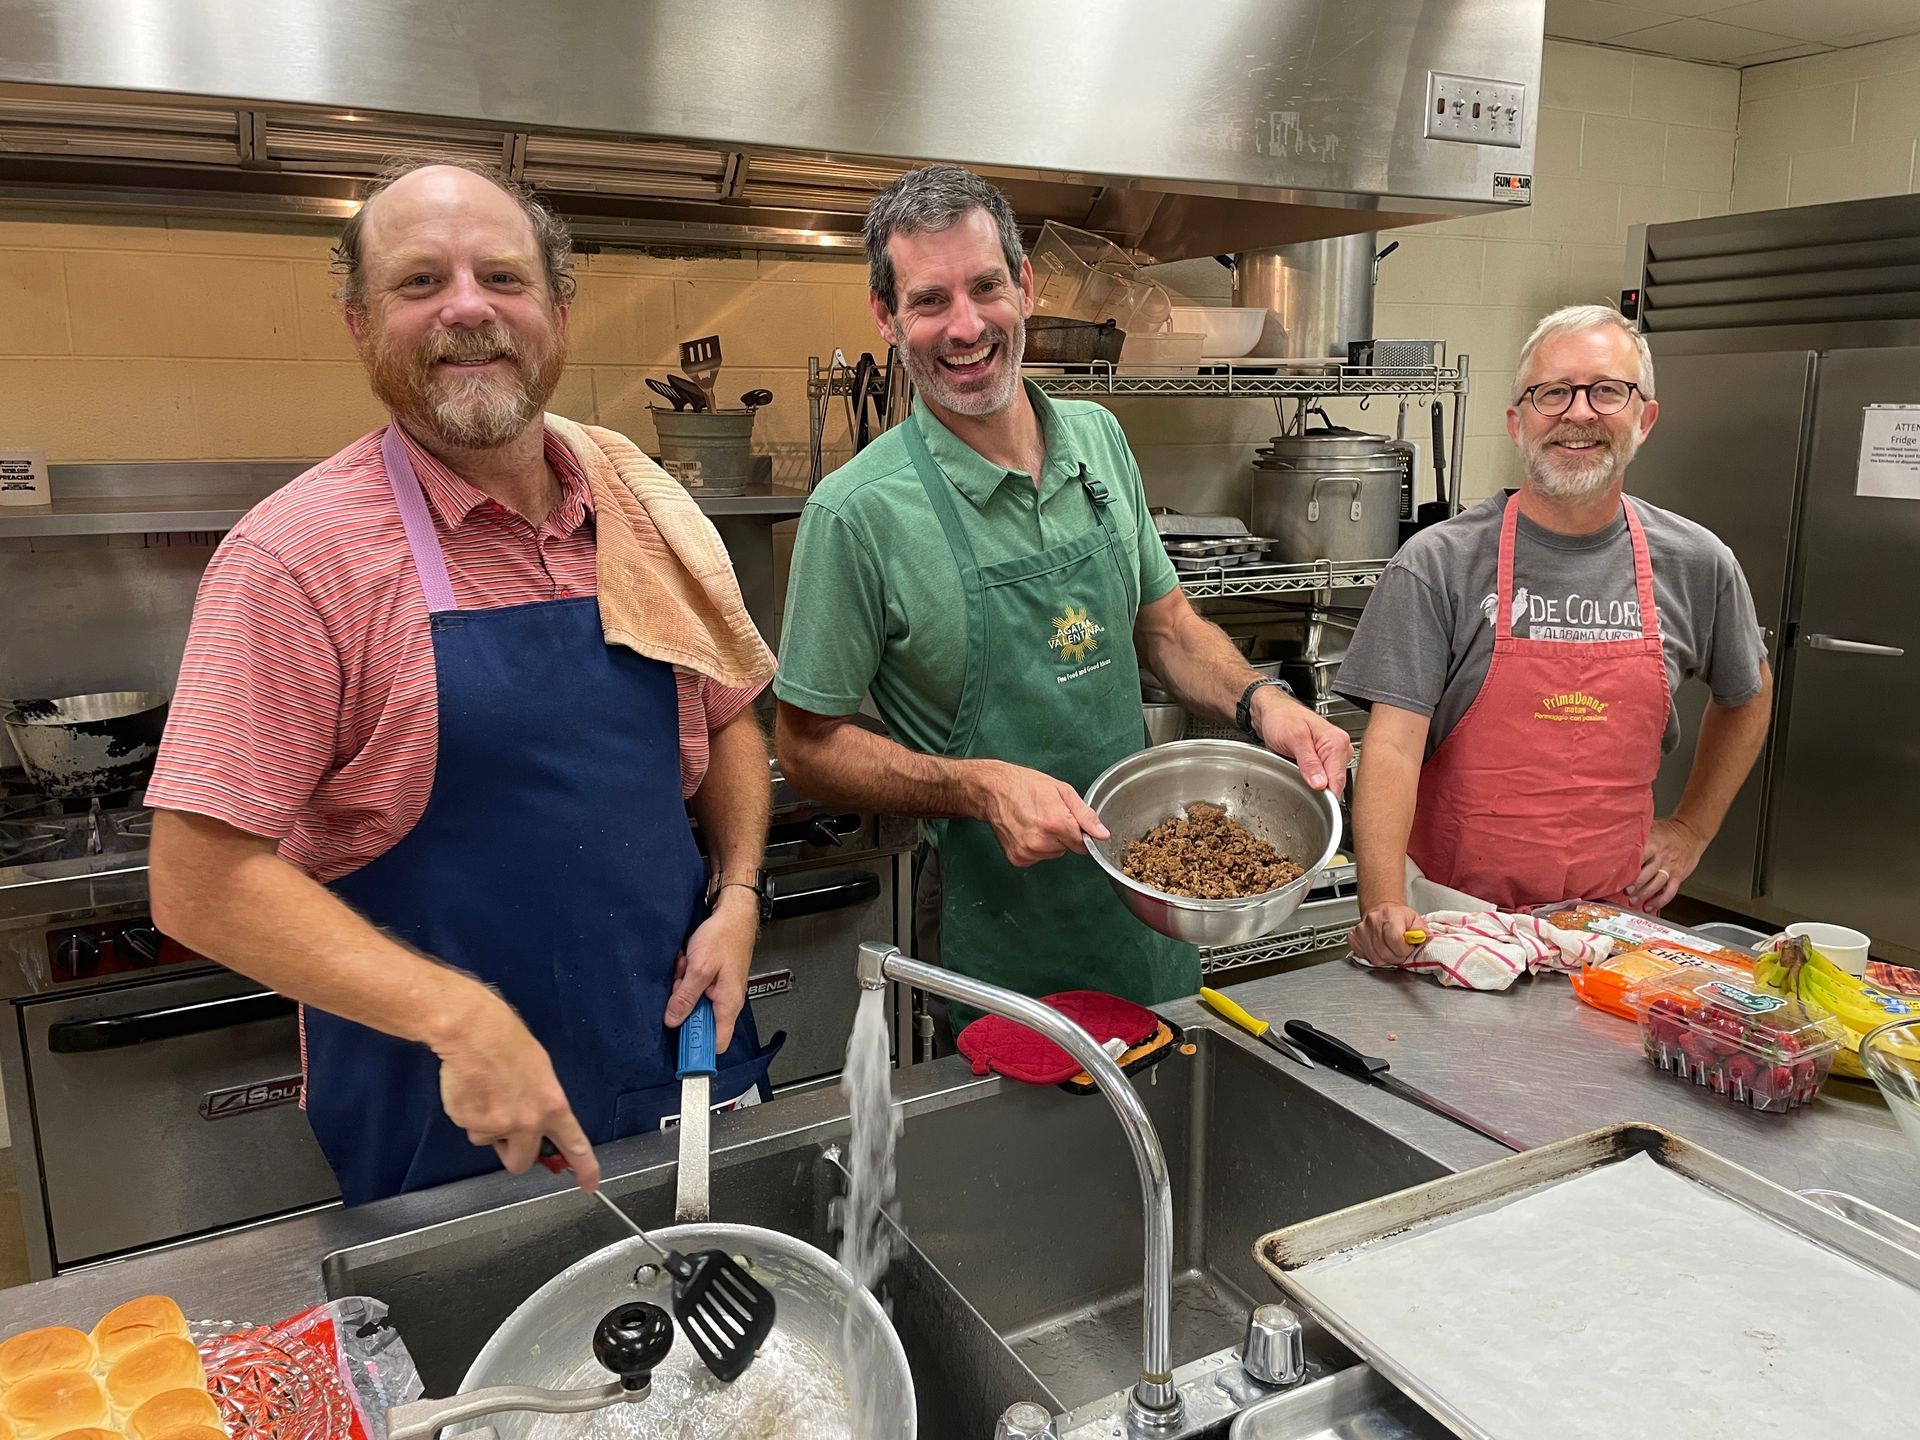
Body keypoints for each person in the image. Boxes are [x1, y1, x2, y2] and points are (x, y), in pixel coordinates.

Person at [146, 159, 781, 1205]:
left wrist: (743, 888)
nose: (469, 310)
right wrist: (457, 1015)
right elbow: (198, 880)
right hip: (451, 1117)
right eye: (420, 283)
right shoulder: (299, 559)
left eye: (502, 277)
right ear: (359, 324)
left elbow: (730, 715)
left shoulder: (637, 507)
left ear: (559, 314)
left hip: (682, 1057)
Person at [773, 165, 1351, 1025]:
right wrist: (976, 787)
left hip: (1151, 898)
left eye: (986, 287)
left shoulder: (1097, 437)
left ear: (1027, 287)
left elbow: (1167, 627)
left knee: (1165, 1120)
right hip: (997, 924)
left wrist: (1261, 701)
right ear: (887, 316)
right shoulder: (855, 515)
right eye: (930, 301)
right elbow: (807, 746)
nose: (966, 327)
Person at [1338, 304, 1772, 965]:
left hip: (1615, 931)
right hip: (1453, 923)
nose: (1579, 413)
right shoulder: (1438, 563)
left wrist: (1691, 829)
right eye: (1552, 393)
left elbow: (1749, 693)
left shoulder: (1697, 562)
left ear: (1644, 418)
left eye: (1607, 390)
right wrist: (1382, 901)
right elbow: (1392, 747)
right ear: (1518, 422)